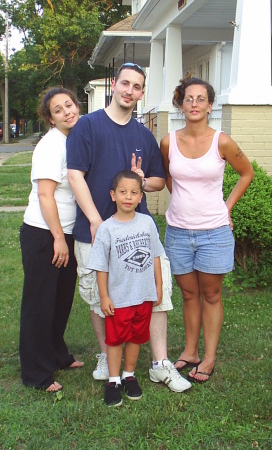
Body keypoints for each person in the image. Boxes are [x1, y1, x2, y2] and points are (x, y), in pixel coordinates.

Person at [67, 62, 191, 393]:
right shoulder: (87, 127)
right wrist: (95, 218)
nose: (129, 91)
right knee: (99, 297)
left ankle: (159, 364)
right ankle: (109, 356)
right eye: (125, 83)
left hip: (140, 233)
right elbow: (75, 174)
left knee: (156, 292)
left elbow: (158, 180)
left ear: (141, 93)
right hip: (94, 231)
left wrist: (142, 181)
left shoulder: (143, 135)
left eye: (137, 87)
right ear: (114, 85)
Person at [160, 76, 254, 383]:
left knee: (211, 295)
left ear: (210, 105)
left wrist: (226, 208)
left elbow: (246, 173)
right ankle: (190, 352)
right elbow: (169, 177)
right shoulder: (168, 141)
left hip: (214, 232)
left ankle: (209, 357)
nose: (194, 104)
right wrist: (184, 205)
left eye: (201, 99)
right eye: (189, 99)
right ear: (181, 104)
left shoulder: (221, 141)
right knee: (189, 295)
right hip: (177, 231)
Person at [19, 87, 84, 392]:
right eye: (58, 110)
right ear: (50, 118)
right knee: (40, 304)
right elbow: (45, 194)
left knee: (60, 301)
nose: (66, 112)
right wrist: (58, 238)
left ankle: (57, 354)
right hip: (44, 234)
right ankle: (37, 373)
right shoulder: (51, 145)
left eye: (69, 105)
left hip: (65, 232)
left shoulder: (73, 140)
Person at [87, 170, 165, 406]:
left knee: (136, 338)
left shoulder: (147, 223)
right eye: (123, 192)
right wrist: (104, 296)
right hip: (119, 298)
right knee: (115, 340)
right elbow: (101, 266)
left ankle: (129, 376)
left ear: (141, 197)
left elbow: (156, 256)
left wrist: (158, 287)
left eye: (134, 192)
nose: (128, 197)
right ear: (113, 195)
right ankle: (113, 381)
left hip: (143, 296)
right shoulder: (107, 229)